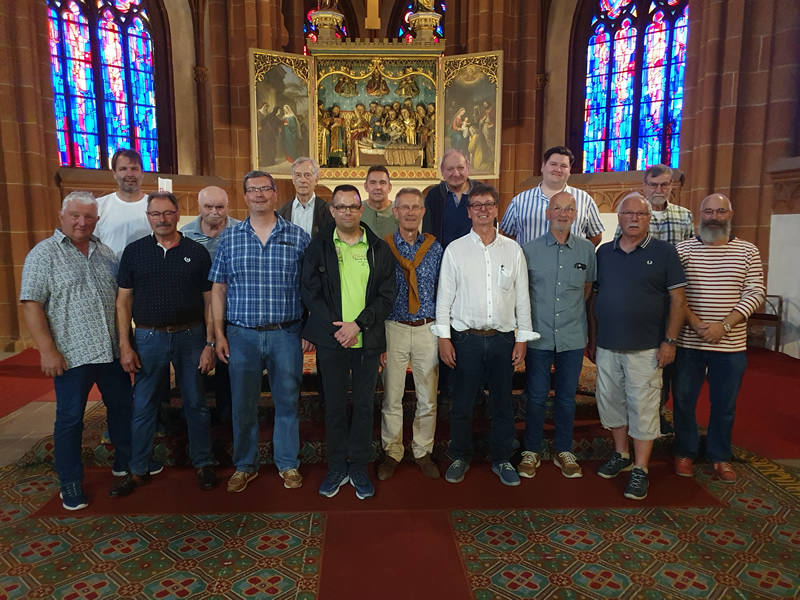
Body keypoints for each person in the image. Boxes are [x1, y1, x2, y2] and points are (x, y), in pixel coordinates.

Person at [20, 191, 133, 510]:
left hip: (110, 351)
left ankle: (125, 462)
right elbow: (32, 305)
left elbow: (121, 300)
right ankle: (69, 481)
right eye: (75, 215)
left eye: (88, 217)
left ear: (97, 220)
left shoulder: (105, 252)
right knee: (70, 420)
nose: (82, 222)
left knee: (122, 408)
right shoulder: (43, 254)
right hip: (71, 354)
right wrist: (47, 351)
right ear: (62, 216)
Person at [111, 191, 218, 497]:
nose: (162, 219)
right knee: (144, 405)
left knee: (196, 403)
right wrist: (125, 345)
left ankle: (203, 462)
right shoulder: (134, 252)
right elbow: (123, 302)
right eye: (155, 214)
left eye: (168, 213)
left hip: (191, 337)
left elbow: (210, 301)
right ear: (148, 217)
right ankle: (138, 469)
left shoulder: (197, 252)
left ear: (178, 214)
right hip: (148, 338)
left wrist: (210, 343)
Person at [210, 171, 311, 493]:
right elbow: (218, 289)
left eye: (265, 189)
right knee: (243, 404)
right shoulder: (229, 238)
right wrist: (218, 335)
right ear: (244, 196)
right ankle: (245, 465)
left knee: (288, 401)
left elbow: (310, 288)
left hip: (286, 333)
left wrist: (308, 329)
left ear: (274, 193)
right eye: (252, 190)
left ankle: (288, 463)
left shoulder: (298, 236)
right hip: (242, 335)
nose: (259, 195)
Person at [432, 183, 536, 487]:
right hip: (466, 339)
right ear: (468, 212)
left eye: (488, 204)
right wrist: (443, 338)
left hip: (503, 339)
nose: (482, 210)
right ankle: (460, 455)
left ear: (496, 209)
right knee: (462, 403)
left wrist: (522, 338)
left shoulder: (512, 249)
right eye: (476, 205)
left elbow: (522, 297)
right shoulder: (456, 249)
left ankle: (501, 457)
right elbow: (444, 298)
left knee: (503, 404)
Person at [589, 193, 686, 501]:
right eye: (628, 213)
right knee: (611, 402)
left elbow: (678, 300)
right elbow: (594, 298)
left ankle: (641, 468)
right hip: (608, 344)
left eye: (640, 214)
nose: (634, 218)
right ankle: (621, 454)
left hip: (647, 347)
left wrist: (670, 341)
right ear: (619, 218)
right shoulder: (604, 252)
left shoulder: (664, 252)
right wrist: (593, 339)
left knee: (643, 406)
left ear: (649, 219)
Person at [301, 184, 396, 500]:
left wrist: (358, 325)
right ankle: (336, 466)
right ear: (332, 210)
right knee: (334, 406)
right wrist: (338, 329)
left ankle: (358, 466)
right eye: (340, 207)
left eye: (353, 207)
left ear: (361, 209)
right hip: (333, 341)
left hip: (367, 340)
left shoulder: (378, 248)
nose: (347, 212)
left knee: (365, 406)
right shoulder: (319, 246)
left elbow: (387, 295)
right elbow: (310, 292)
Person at [672, 193, 765, 482]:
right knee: (683, 402)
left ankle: (719, 455)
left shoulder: (748, 251)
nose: (714, 217)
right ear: (700, 215)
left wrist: (724, 326)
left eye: (720, 211)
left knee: (724, 405)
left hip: (731, 345)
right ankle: (685, 451)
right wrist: (696, 323)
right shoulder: (683, 250)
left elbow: (755, 293)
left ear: (730, 214)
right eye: (709, 211)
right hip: (689, 342)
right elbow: (675, 293)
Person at [520, 191, 596, 480]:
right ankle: (531, 450)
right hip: (538, 336)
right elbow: (522, 294)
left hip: (572, 336)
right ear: (547, 213)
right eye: (558, 208)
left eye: (569, 209)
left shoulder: (587, 250)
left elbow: (587, 290)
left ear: (575, 214)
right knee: (537, 396)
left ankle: (564, 449)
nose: (563, 214)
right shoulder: (529, 250)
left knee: (566, 398)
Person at [616, 164, 694, 435]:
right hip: (641, 302)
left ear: (672, 186)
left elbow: (691, 256)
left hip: (672, 298)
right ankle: (635, 416)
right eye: (653, 184)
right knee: (639, 364)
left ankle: (659, 413)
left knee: (668, 362)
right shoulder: (631, 213)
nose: (659, 189)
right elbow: (619, 254)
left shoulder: (684, 216)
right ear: (645, 186)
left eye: (664, 184)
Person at [378, 188, 443, 481]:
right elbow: (375, 292)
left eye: (416, 207)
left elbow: (444, 290)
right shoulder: (383, 248)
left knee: (427, 397)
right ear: (395, 212)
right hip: (394, 327)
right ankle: (392, 450)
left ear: (423, 212)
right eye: (404, 207)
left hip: (427, 327)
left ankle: (422, 450)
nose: (410, 212)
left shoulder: (435, 248)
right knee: (392, 395)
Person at [181, 186, 241, 423]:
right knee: (197, 371)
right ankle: (197, 423)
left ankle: (227, 420)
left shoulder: (242, 231)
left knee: (229, 371)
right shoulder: (184, 235)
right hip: (198, 314)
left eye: (220, 207)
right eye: (208, 207)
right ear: (199, 207)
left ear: (228, 206)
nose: (214, 212)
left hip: (234, 312)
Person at [500, 146, 605, 247]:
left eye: (563, 166)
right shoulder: (520, 200)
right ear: (543, 166)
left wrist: (579, 253)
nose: (558, 169)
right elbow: (507, 236)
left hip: (570, 259)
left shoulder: (584, 200)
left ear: (569, 170)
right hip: (529, 259)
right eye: (553, 164)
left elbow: (595, 235)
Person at [94, 148, 151, 259]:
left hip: (148, 268)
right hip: (110, 269)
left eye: (134, 169)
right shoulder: (99, 206)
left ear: (142, 173)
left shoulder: (155, 207)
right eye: (123, 169)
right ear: (114, 173)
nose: (129, 174)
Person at [422, 149, 473, 249]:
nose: (456, 174)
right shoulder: (434, 195)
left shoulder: (481, 193)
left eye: (460, 168)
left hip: (475, 254)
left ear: (468, 168)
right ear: (442, 172)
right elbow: (428, 234)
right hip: (443, 255)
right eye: (450, 169)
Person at [277, 157, 334, 239]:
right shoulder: (281, 213)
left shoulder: (328, 212)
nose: (302, 180)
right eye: (298, 175)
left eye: (307, 175)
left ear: (316, 180)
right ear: (293, 179)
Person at [361, 165, 398, 238]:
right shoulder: (357, 211)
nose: (378, 187)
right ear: (366, 187)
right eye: (373, 183)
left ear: (389, 187)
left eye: (383, 183)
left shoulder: (399, 211)